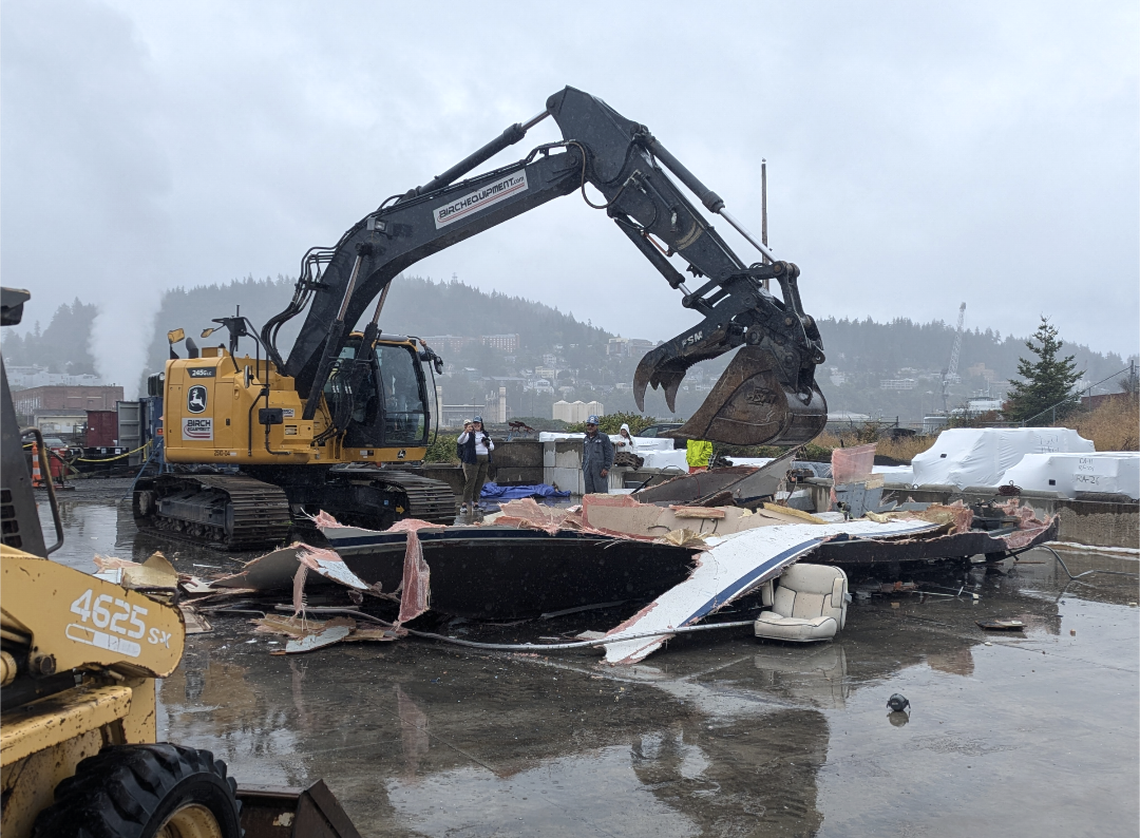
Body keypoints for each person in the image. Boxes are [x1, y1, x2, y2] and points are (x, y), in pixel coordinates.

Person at [457, 416, 494, 513]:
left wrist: (487, 444)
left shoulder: (485, 434)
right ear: (473, 424)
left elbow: (492, 447)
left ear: (481, 424)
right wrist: (465, 432)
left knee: (480, 481)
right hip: (473, 460)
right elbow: (460, 441)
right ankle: (464, 504)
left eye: (479, 423)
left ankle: (475, 503)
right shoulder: (470, 434)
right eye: (475, 423)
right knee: (471, 481)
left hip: (485, 460)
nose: (477, 425)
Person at [581, 414, 613, 495]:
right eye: (588, 425)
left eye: (592, 425)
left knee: (601, 492)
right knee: (589, 493)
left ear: (597, 426)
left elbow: (609, 453)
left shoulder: (603, 437)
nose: (590, 427)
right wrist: (584, 467)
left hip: (599, 470)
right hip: (588, 470)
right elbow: (585, 454)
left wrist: (606, 468)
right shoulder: (585, 439)